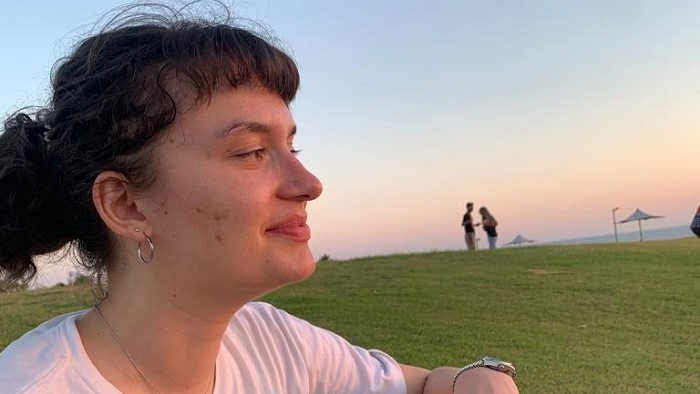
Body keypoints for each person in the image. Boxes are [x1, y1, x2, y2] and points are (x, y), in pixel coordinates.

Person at [0, 3, 519, 393]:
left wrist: (482, 379)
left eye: (292, 145)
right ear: (126, 205)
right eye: (250, 151)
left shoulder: (270, 341)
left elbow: (427, 384)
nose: (309, 183)